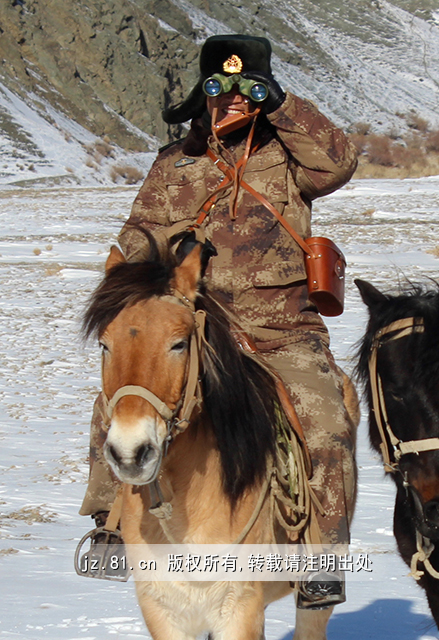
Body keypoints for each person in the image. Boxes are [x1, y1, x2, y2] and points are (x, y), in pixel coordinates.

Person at [77, 34, 358, 609]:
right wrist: (125, 291)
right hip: (201, 328)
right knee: (123, 397)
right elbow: (139, 236)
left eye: (246, 88)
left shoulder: (289, 157)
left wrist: (280, 104)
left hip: (284, 332)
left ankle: (322, 558)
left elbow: (340, 161)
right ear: (200, 94)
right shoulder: (174, 164)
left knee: (327, 422)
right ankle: (109, 522)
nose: (230, 99)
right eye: (217, 87)